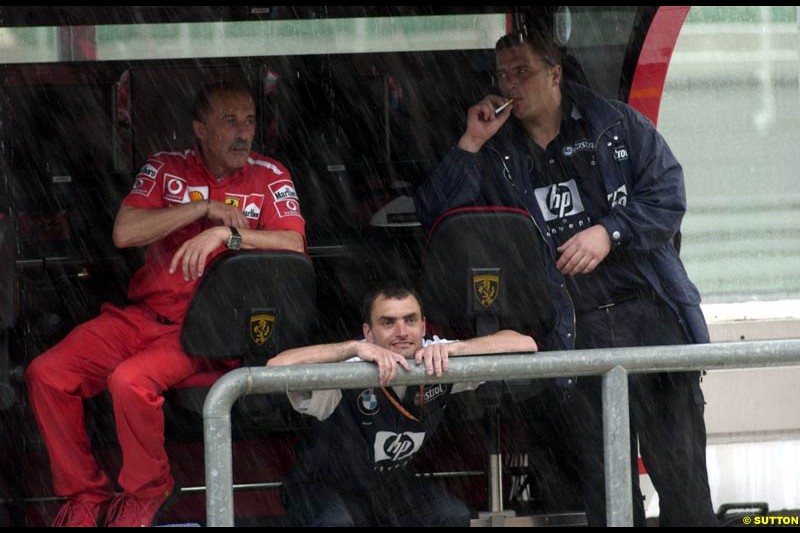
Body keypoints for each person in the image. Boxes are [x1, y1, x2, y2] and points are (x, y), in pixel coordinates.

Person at [415, 30, 717, 526]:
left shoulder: (612, 123)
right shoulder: (496, 150)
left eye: (522, 72)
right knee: (608, 494)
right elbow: (436, 216)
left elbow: (669, 195)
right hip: (573, 333)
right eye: (502, 75)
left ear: (554, 73)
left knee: (683, 485)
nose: (510, 84)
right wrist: (472, 140)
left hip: (652, 321)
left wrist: (610, 232)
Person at [24, 82, 306, 527]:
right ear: (199, 128)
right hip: (138, 318)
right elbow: (125, 231)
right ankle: (83, 494)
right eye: (228, 120)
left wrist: (226, 234)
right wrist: (201, 210)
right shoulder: (166, 167)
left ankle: (149, 489)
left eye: (249, 120)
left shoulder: (269, 174)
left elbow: (294, 243)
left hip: (206, 329)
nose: (243, 132)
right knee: (47, 373)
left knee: (129, 381)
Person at [268, 282, 537, 527]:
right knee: (337, 523)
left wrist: (457, 350)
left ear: (423, 326)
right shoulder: (351, 363)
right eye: (388, 323)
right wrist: (352, 348)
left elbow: (524, 344)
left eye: (410, 320)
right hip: (320, 486)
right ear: (368, 332)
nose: (401, 332)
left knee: (452, 515)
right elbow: (276, 365)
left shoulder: (438, 355)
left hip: (387, 487)